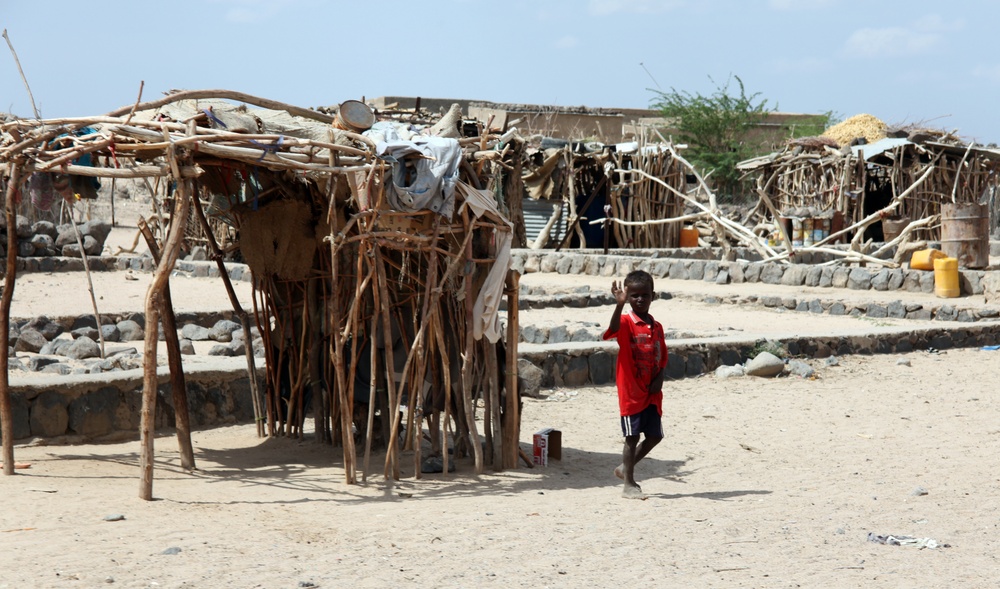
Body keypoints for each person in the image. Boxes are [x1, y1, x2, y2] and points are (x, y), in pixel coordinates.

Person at [603, 270, 668, 499]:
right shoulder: (626, 322)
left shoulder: (656, 326)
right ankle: (629, 484)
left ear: (653, 295)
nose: (640, 299)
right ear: (628, 297)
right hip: (631, 392)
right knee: (632, 437)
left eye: (645, 295)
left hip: (651, 391)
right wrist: (619, 305)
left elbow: (662, 356)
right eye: (634, 296)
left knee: (654, 436)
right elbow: (612, 329)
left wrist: (659, 377)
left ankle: (624, 468)